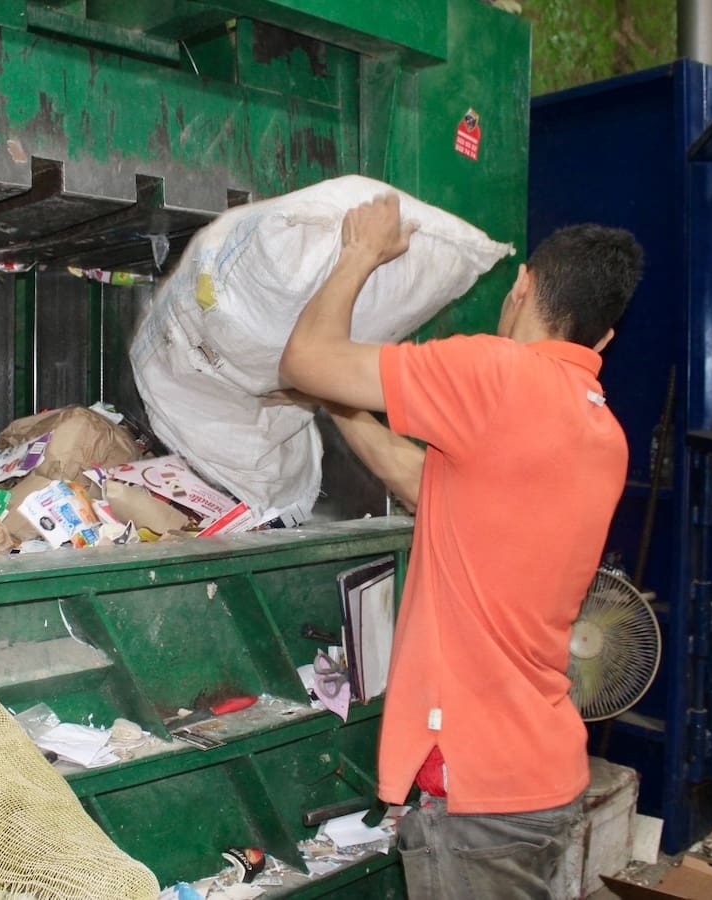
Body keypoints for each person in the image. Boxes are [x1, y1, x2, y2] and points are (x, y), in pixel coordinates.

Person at [277, 194, 644, 899]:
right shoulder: (603, 434)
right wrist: (341, 405)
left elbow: (306, 356)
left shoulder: (496, 375)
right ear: (601, 343)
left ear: (523, 284)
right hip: (539, 774)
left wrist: (362, 251)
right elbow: (428, 483)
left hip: (478, 786)